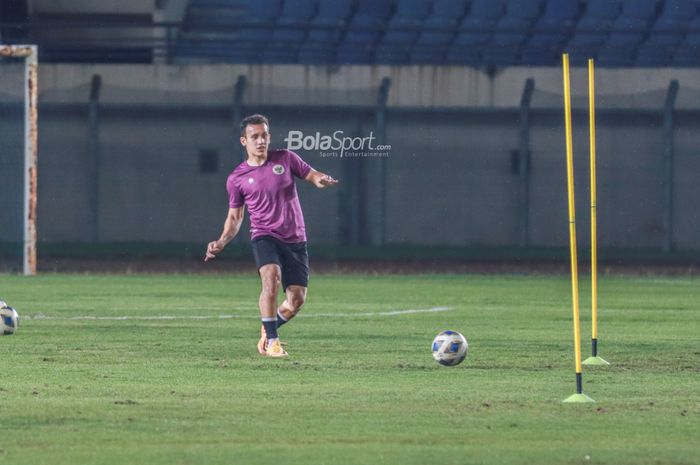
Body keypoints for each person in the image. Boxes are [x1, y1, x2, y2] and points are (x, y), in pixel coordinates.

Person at [205, 114, 338, 357]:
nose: (260, 140)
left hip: (295, 238)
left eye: (264, 135)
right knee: (271, 278)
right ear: (244, 141)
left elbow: (312, 174)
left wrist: (321, 179)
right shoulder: (237, 178)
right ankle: (273, 342)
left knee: (296, 300)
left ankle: (267, 330)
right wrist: (222, 240)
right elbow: (235, 217)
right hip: (264, 235)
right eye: (254, 136)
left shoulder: (286, 159)